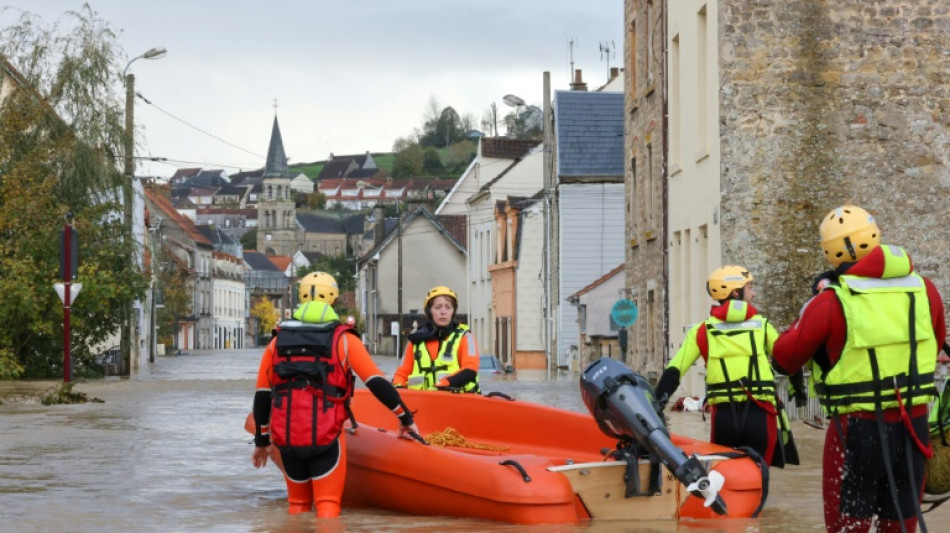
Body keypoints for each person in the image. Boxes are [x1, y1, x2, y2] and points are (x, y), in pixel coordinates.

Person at [773, 205, 946, 533]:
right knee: (900, 526)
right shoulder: (926, 291)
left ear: (830, 253)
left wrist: (815, 300)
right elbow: (932, 346)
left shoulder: (831, 301)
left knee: (848, 527)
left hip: (857, 433)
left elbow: (785, 357)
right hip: (914, 428)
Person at [251, 271, 419, 517]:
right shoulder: (345, 340)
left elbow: (263, 396)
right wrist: (405, 418)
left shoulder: (277, 342)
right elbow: (376, 383)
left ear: (300, 298)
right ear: (333, 300)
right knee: (327, 505)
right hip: (327, 437)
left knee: (297, 506)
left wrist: (262, 442)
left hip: (287, 439)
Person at [654, 265, 796, 468]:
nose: (754, 293)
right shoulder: (762, 325)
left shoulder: (702, 331)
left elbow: (675, 370)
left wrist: (656, 405)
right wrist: (798, 387)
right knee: (758, 477)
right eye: (750, 288)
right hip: (760, 415)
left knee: (724, 477)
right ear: (736, 292)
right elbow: (789, 358)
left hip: (724, 418)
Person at [392, 286, 480, 393]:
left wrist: (445, 383)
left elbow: (470, 369)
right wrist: (398, 388)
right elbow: (401, 375)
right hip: (421, 405)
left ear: (453, 311)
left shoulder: (466, 337)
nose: (443, 312)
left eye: (448, 307)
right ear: (429, 311)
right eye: (438, 307)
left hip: (458, 404)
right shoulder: (415, 340)